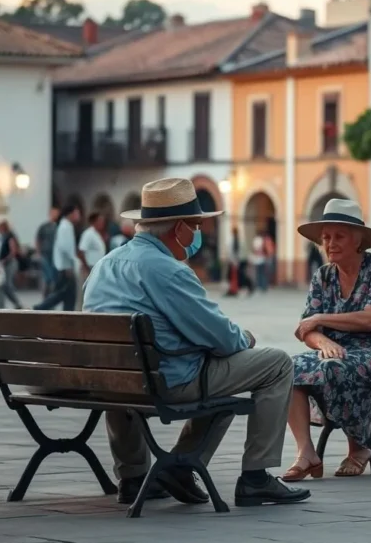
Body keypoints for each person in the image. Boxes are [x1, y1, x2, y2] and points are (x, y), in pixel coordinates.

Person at [83, 178, 310, 507]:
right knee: (276, 364)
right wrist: (243, 337)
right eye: (196, 225)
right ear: (179, 229)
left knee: (125, 367)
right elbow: (220, 338)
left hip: (109, 381)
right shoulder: (169, 271)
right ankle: (254, 477)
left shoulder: (104, 265)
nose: (199, 233)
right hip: (166, 381)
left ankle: (133, 477)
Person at [284, 199, 371, 481]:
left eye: (339, 236)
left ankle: (358, 446)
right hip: (338, 352)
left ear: (358, 240)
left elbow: (369, 319)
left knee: (334, 368)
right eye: (326, 237)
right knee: (286, 368)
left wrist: (320, 320)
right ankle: (306, 452)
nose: (330, 244)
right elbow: (306, 328)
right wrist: (322, 342)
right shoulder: (323, 275)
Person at [33, 202, 84, 312]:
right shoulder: (66, 226)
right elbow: (66, 247)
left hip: (64, 265)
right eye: (77, 213)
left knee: (68, 295)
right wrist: (69, 266)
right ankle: (41, 307)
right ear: (71, 214)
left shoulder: (66, 225)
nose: (79, 215)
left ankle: (67, 314)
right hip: (65, 267)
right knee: (62, 293)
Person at [76, 211, 107, 310]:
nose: (102, 223)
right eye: (100, 221)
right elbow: (81, 251)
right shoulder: (88, 233)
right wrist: (86, 267)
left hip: (95, 268)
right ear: (94, 221)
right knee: (85, 293)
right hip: (89, 267)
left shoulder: (97, 234)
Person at [0, 217, 23, 309]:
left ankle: (16, 303)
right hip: (0, 264)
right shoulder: (1, 237)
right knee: (0, 285)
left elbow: (13, 251)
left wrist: (5, 260)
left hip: (8, 263)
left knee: (6, 285)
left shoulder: (9, 236)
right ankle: (1, 306)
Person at [35, 207, 60, 297]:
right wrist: (38, 252)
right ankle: (45, 297)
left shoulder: (58, 226)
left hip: (54, 255)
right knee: (47, 276)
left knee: (53, 277)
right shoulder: (44, 226)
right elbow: (38, 239)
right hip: (45, 254)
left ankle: (50, 297)